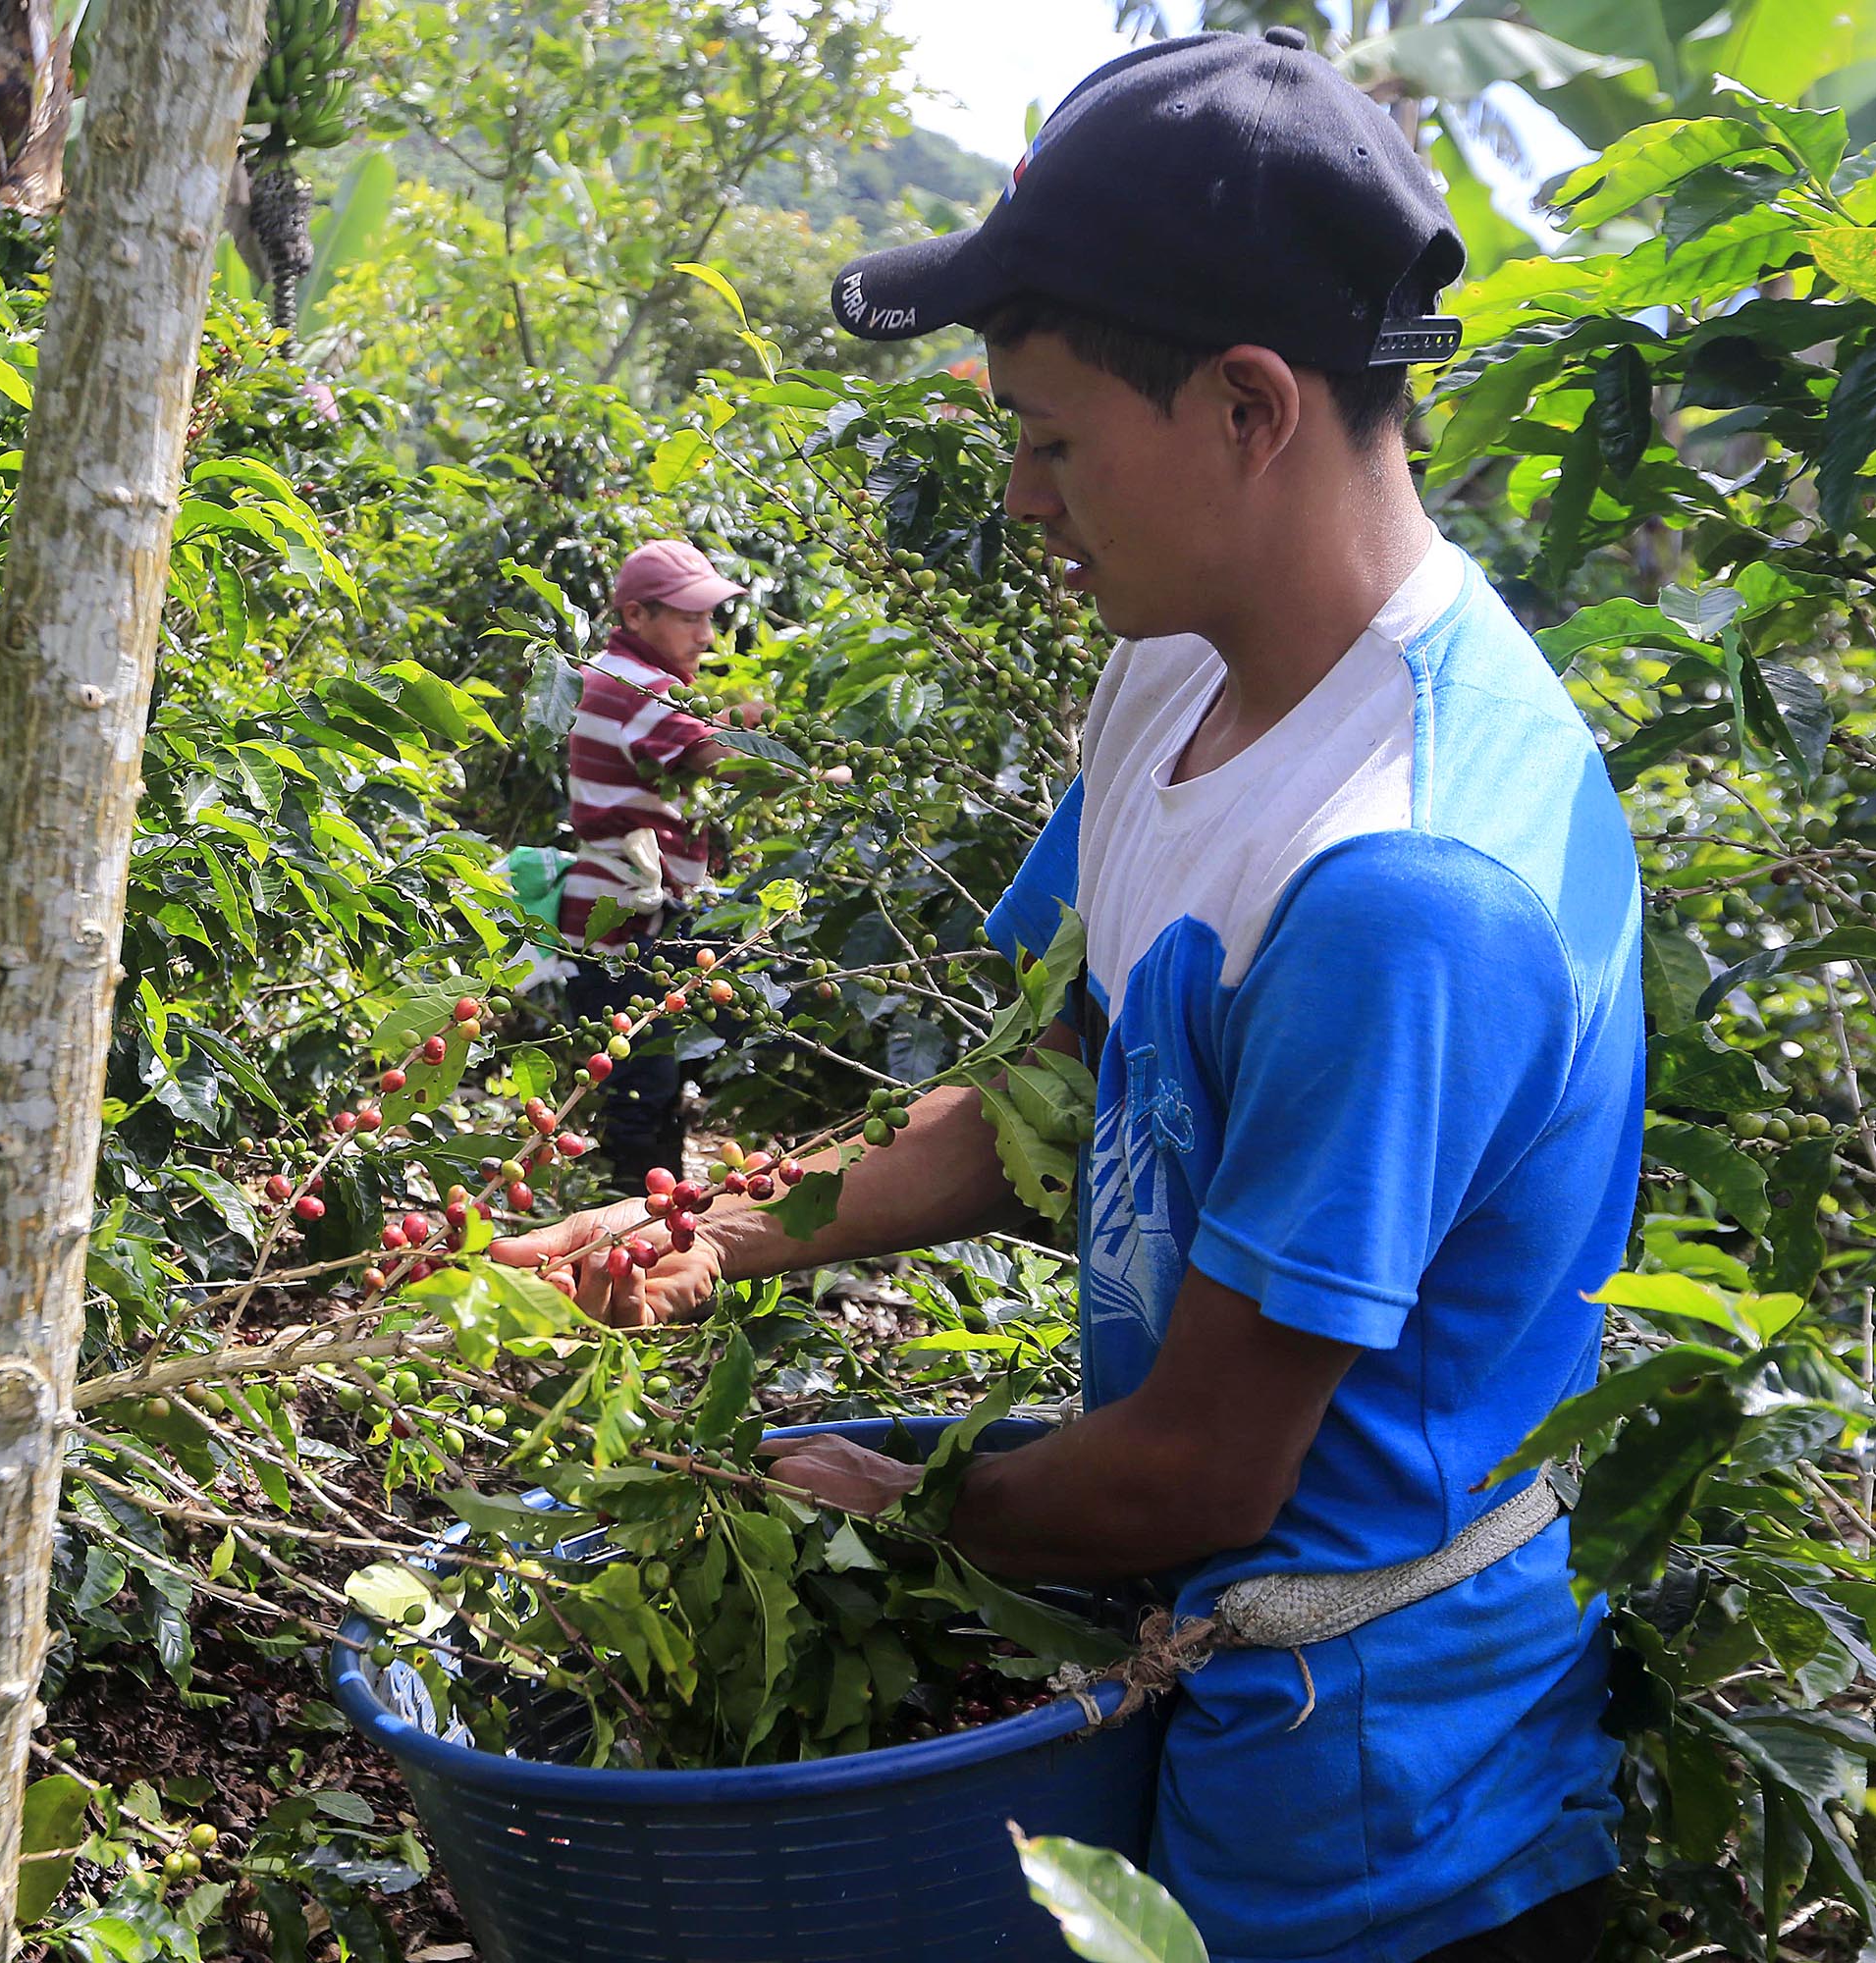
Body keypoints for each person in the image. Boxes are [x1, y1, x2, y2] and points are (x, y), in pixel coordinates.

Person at [501, 28, 1635, 1963]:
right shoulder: (1175, 683)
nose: (1023, 495)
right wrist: (711, 1231)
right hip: (1220, 1710)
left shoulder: (1405, 882)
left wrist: (903, 1504)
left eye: (1048, 435)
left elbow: (1207, 1464)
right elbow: (1065, 1083)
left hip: (1396, 1822)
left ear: (1247, 405)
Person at [557, 538, 760, 1190]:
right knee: (646, 1089)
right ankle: (632, 1230)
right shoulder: (636, 685)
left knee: (652, 1078)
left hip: (629, 914)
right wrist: (822, 772)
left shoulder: (620, 677)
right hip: (630, 923)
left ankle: (641, 1215)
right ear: (636, 616)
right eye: (688, 618)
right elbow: (720, 762)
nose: (706, 635)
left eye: (709, 618)